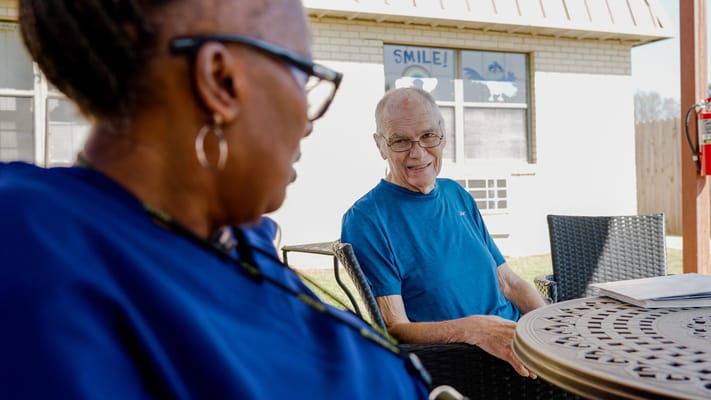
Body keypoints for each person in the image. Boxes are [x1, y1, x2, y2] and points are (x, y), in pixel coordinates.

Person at [0, 1, 431, 398]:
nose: (307, 121)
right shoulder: (41, 263)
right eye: (302, 75)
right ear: (220, 82)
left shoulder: (227, 241)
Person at [341, 87, 546, 378]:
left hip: (523, 344)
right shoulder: (366, 219)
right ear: (380, 145)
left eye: (428, 136)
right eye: (400, 141)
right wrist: (472, 330)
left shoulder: (457, 194)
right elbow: (395, 328)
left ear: (443, 133)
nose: (418, 152)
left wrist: (551, 326)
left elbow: (509, 283)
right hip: (468, 365)